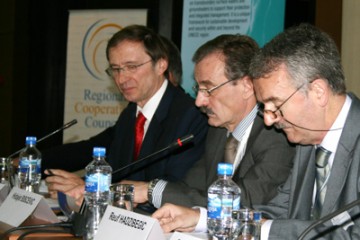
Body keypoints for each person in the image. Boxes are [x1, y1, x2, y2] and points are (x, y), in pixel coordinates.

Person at [152, 23, 360, 239]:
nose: (269, 120)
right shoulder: (307, 141)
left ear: (318, 91)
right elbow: (280, 210)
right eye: (264, 107)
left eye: (276, 105)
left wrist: (264, 230)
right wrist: (201, 219)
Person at [122, 34, 295, 215]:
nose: (199, 101)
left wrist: (151, 191)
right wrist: (149, 194)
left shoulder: (276, 135)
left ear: (247, 86)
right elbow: (188, 188)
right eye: (198, 89)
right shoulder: (218, 131)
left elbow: (242, 202)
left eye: (208, 89)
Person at [43, 25, 208, 207]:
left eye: (132, 67)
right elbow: (119, 175)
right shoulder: (130, 114)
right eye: (116, 69)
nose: (122, 79)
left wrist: (92, 189)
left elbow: (174, 188)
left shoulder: (191, 116)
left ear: (161, 65)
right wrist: (82, 187)